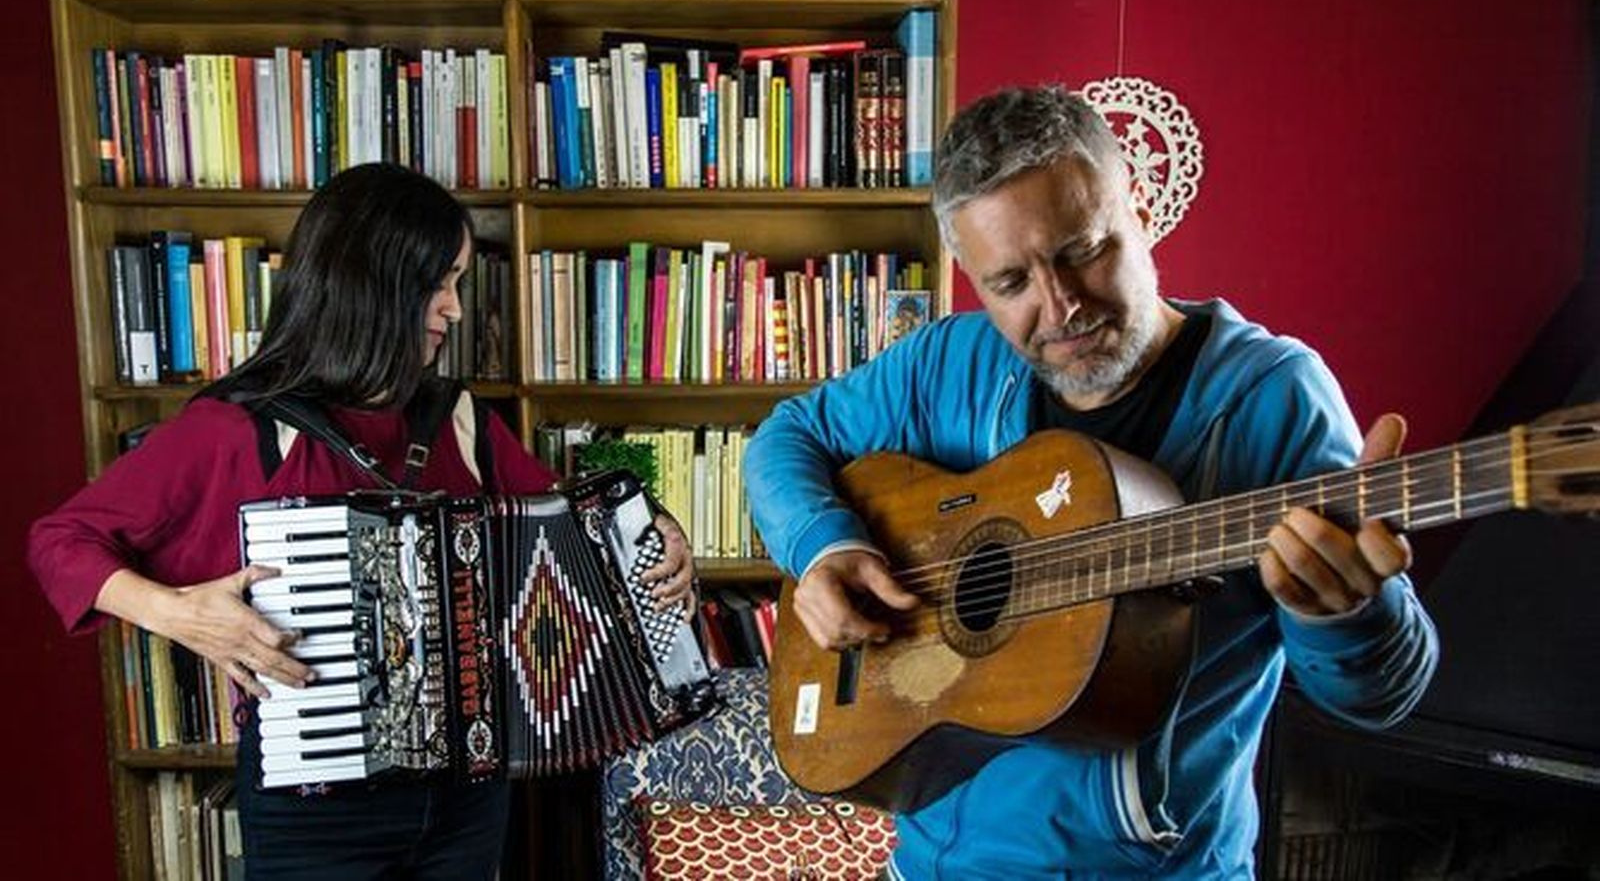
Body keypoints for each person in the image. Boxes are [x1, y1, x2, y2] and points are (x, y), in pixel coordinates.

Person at [744, 86, 1439, 878]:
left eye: (1081, 250)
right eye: (1011, 283)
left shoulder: (1275, 396)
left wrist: (1345, 612)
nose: (1060, 305)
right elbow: (783, 438)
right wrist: (823, 545)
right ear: (971, 277)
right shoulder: (947, 363)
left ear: (1137, 207)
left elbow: (1384, 694)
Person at [29, 163, 697, 880]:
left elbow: (572, 529)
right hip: (317, 807)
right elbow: (59, 542)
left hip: (470, 794)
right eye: (438, 285)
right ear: (375, 288)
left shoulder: (458, 419)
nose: (455, 310)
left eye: (458, 284)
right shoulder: (239, 429)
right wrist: (179, 614)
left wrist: (655, 533)